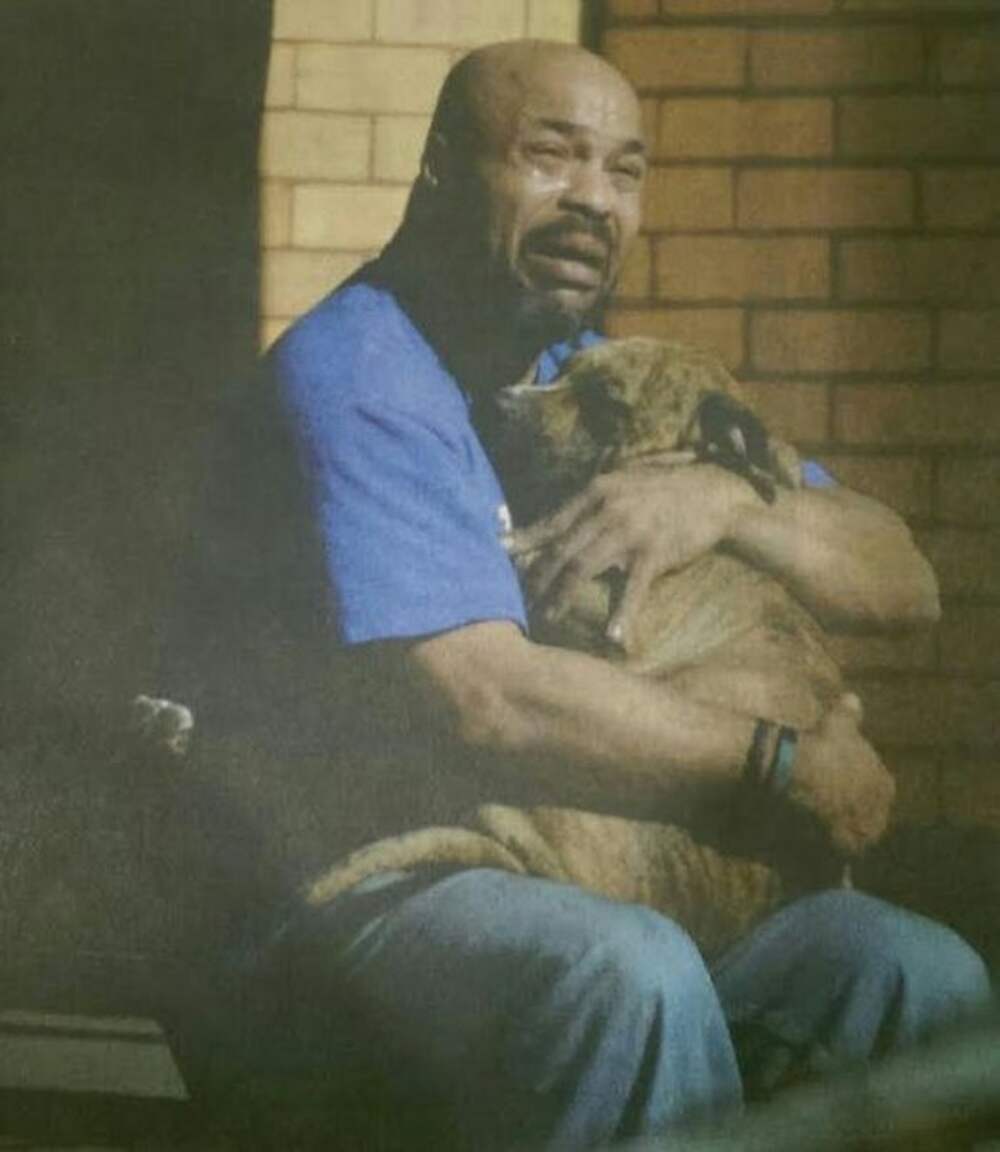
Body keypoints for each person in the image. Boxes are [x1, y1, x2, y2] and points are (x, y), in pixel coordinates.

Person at [206, 40, 990, 1151]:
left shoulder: (588, 372)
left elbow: (903, 580)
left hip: (575, 870)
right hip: (345, 908)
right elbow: (487, 700)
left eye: (624, 171)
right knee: (625, 975)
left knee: (911, 974)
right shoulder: (359, 375)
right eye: (551, 155)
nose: (593, 199)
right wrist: (784, 763)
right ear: (440, 168)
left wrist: (724, 503)